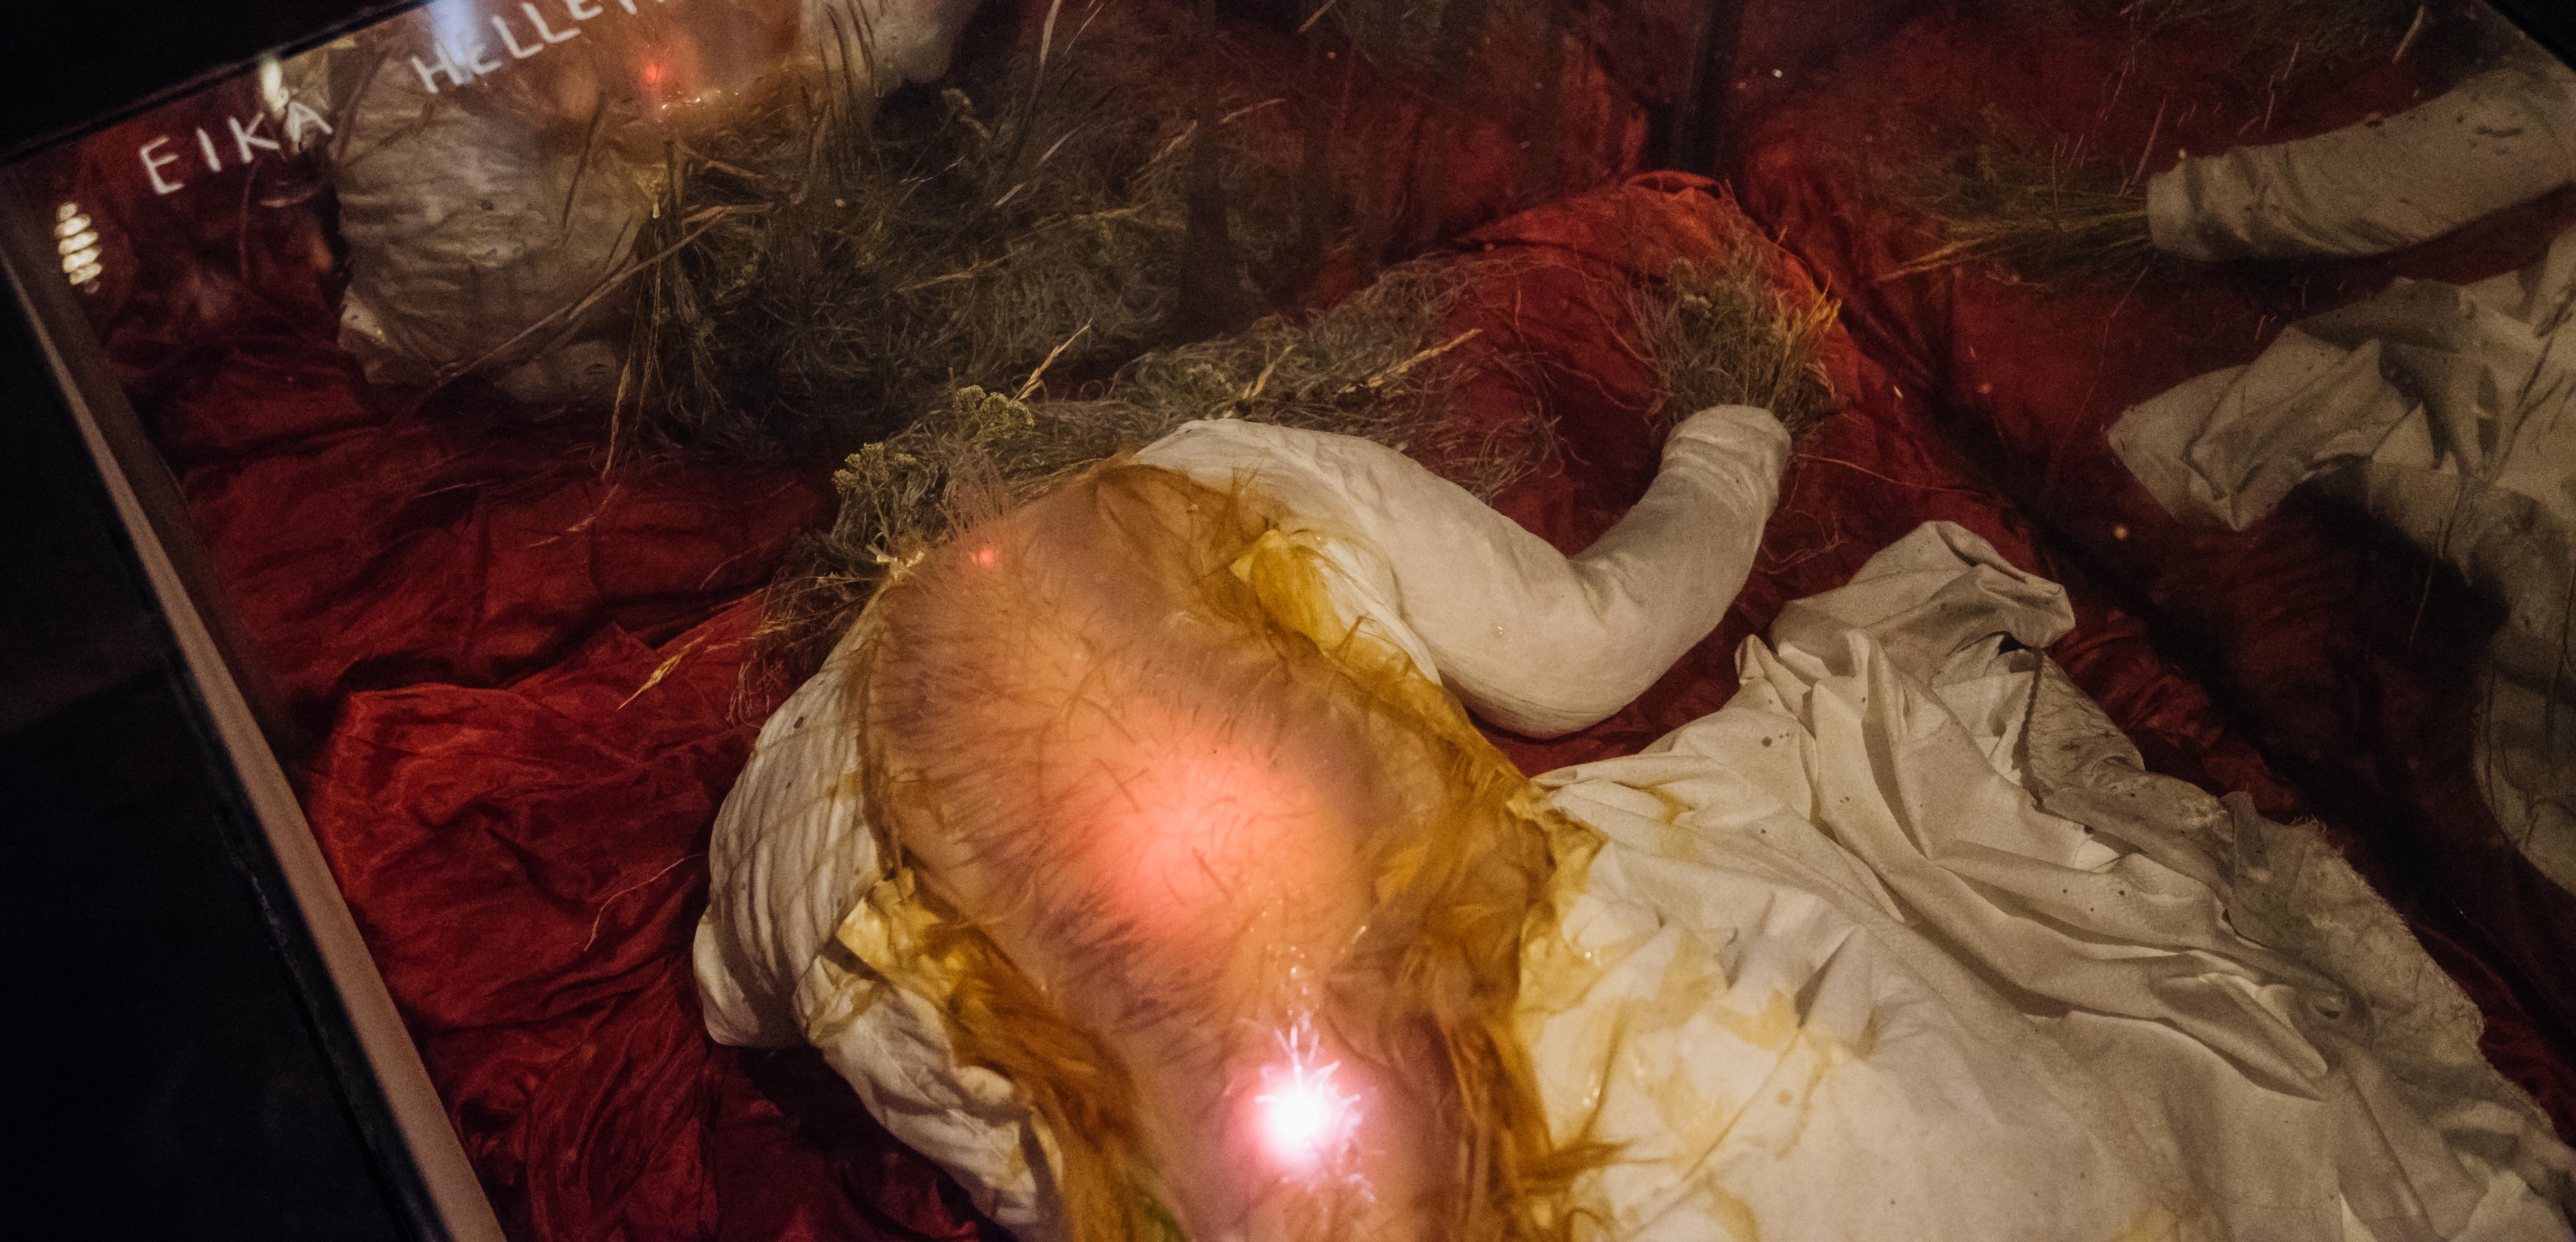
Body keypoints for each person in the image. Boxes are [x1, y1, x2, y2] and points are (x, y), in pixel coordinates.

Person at [697, 405, 2576, 1242]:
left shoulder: (785, 821)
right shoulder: (1220, 474)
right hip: (1632, 1042)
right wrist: (1734, 432)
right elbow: (1598, 638)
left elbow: (729, 994)